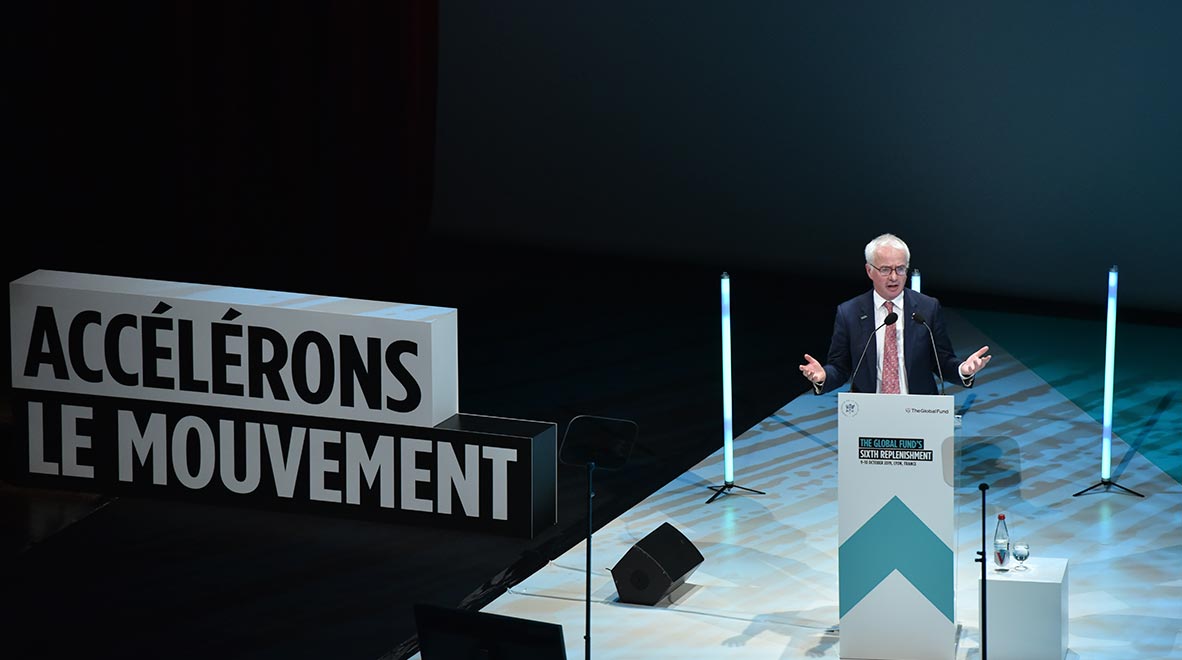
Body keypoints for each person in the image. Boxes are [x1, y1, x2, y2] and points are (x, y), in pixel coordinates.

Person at [799, 233, 990, 395]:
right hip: (869, 411)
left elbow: (943, 362)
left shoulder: (927, 308)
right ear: (869, 271)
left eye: (900, 269)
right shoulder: (849, 312)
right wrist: (823, 376)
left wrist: (963, 370)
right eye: (885, 270)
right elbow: (840, 367)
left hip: (919, 410)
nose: (893, 277)